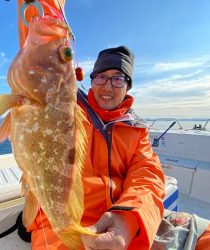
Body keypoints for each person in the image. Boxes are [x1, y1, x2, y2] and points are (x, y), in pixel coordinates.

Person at [27, 46, 210, 249]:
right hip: (61, 225)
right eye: (101, 77)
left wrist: (128, 219)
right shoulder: (66, 109)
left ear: (127, 86)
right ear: (91, 80)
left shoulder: (136, 131)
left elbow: (147, 175)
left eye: (117, 78)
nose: (107, 87)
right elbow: (38, 62)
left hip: (122, 220)